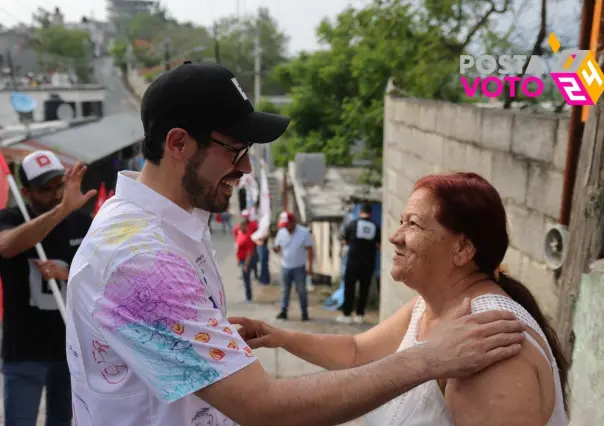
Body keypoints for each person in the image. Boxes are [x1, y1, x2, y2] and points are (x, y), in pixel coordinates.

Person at [65, 62, 525, 426]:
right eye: (235, 149)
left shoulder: (176, 223)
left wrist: (214, 336)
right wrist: (431, 358)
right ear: (179, 143)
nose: (245, 168)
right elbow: (264, 407)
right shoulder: (140, 257)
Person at [231, 172, 569, 426]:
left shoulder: (487, 341)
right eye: (401, 222)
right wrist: (280, 337)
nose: (395, 236)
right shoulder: (430, 306)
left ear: (463, 248)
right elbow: (357, 353)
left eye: (415, 225)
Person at [0, 151, 96, 426]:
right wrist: (62, 210)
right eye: (45, 189)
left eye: (59, 186)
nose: (55, 194)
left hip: (70, 349)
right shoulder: (9, 218)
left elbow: (103, 278)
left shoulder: (82, 223)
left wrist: (68, 274)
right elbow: (6, 246)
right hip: (24, 351)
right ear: (26, 192)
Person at [337, 203, 381, 325]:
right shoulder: (376, 227)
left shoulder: (352, 225)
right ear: (370, 213)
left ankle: (347, 315)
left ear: (359, 212)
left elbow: (345, 241)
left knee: (349, 288)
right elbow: (379, 245)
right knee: (364, 289)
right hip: (368, 264)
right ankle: (360, 315)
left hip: (353, 263)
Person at [272, 211, 314, 321]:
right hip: (285, 266)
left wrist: (310, 267)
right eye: (284, 225)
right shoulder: (281, 232)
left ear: (293, 222)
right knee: (285, 290)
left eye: (287, 225)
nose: (285, 227)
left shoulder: (304, 233)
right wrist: (276, 249)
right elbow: (278, 247)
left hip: (299, 267)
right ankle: (284, 311)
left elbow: (310, 250)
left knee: (302, 291)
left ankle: (304, 313)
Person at [235, 220, 255, 302]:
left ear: (246, 226)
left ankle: (249, 297)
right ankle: (247, 296)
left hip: (246, 260)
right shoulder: (240, 233)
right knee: (245, 278)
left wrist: (246, 264)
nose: (240, 227)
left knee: (247, 279)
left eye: (242, 226)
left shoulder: (248, 236)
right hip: (241, 260)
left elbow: (250, 252)